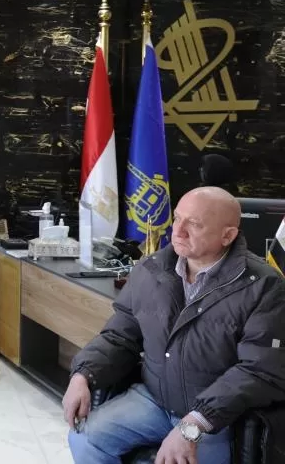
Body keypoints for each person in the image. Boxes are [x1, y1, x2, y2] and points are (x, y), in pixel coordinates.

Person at [63, 186, 285, 464]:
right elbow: (119, 335)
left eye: (195, 224)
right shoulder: (151, 269)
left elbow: (260, 370)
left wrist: (194, 423)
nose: (177, 231)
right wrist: (83, 374)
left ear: (227, 236)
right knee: (84, 437)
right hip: (155, 399)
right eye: (178, 218)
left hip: (217, 417)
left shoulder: (264, 286)